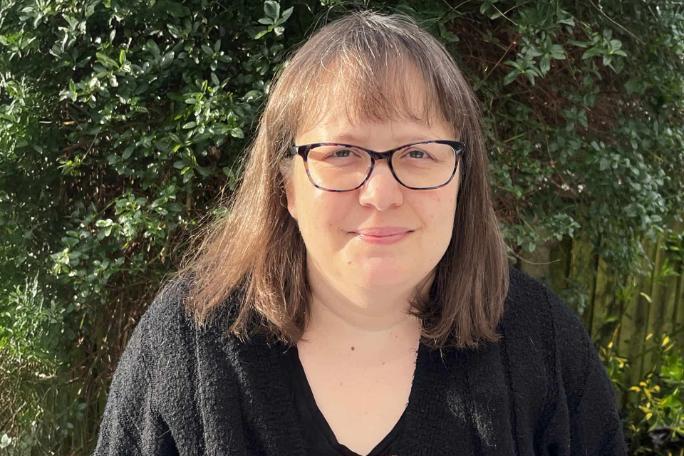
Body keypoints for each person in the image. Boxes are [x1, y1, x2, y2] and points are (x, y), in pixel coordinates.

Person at [94, 10, 627, 456]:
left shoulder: (544, 347)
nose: (380, 193)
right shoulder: (187, 343)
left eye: (418, 153)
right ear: (286, 187)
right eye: (341, 153)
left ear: (462, 180)